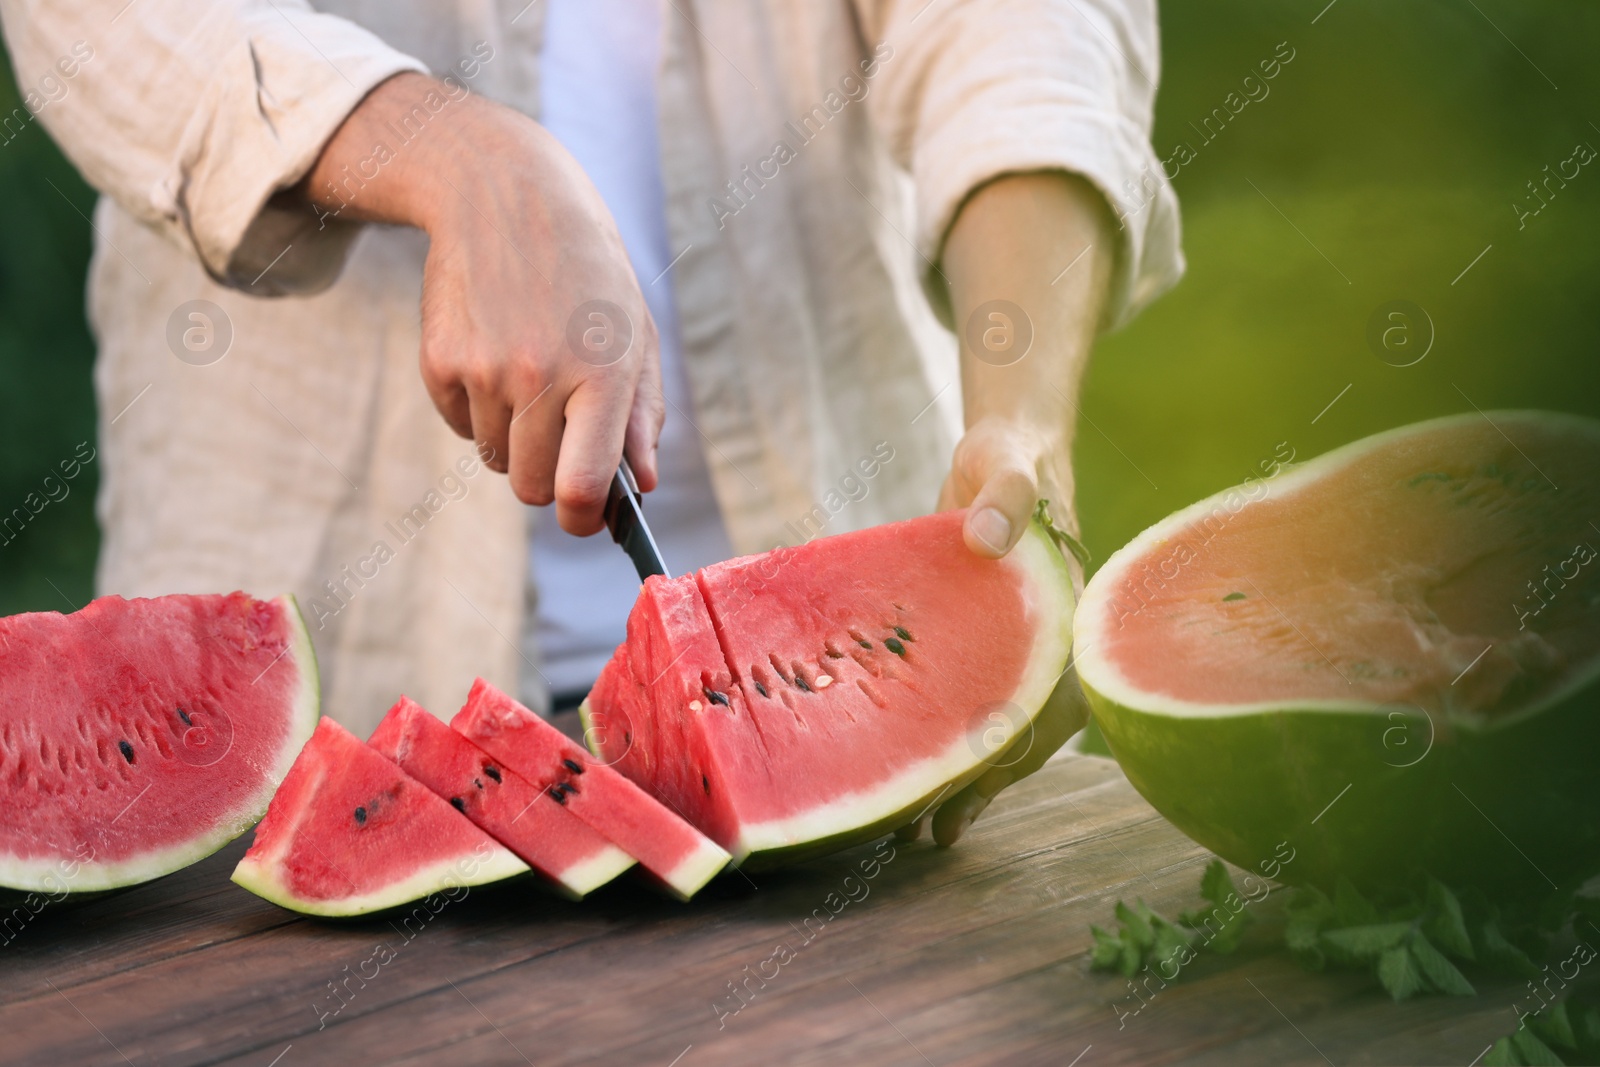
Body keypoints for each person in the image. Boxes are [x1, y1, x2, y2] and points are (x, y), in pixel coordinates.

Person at [0, 0, 1181, 842]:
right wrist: (463, 160)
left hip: (850, 632)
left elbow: (1025, 34)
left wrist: (1021, 420)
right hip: (341, 659)